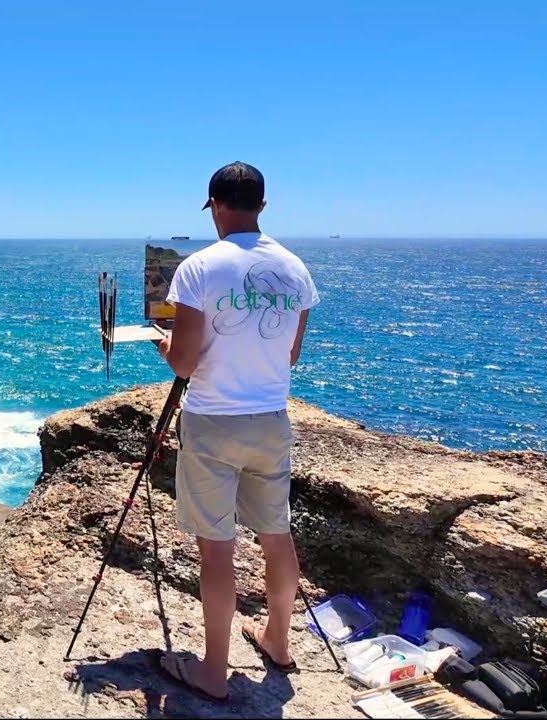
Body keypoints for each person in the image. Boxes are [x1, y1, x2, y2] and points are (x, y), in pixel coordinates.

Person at [155, 161, 319, 703]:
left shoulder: (199, 269)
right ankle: (278, 641)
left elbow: (183, 363)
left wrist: (163, 346)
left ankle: (213, 670)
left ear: (214, 206)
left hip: (213, 421)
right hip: (271, 418)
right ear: (262, 207)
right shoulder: (294, 269)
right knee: (277, 534)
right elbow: (290, 352)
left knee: (217, 549)